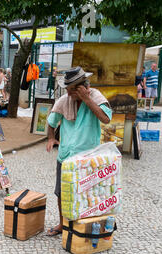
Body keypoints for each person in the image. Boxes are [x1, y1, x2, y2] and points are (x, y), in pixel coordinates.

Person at [45, 66, 112, 236]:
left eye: (71, 90)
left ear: (82, 88)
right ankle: (62, 224)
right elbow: (52, 121)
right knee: (62, 192)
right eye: (66, 90)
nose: (68, 94)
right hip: (66, 156)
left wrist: (87, 100)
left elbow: (106, 118)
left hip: (88, 157)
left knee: (89, 192)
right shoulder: (64, 100)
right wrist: (51, 138)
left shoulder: (95, 96)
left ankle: (85, 226)